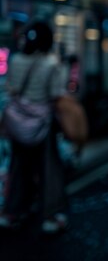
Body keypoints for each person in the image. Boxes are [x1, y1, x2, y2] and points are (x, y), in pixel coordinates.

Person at [0, 20, 69, 233]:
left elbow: (11, 88)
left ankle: (12, 212)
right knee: (49, 169)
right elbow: (57, 95)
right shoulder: (52, 63)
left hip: (16, 122)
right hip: (42, 124)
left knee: (18, 167)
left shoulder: (17, 59)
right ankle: (50, 216)